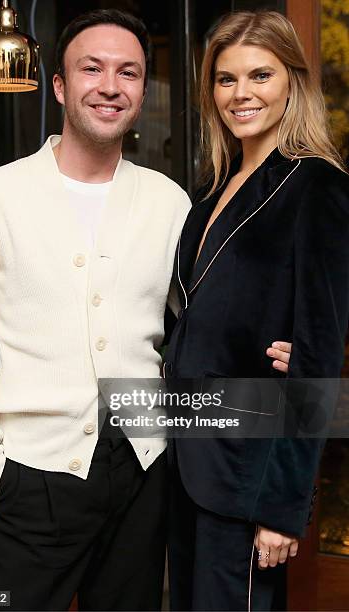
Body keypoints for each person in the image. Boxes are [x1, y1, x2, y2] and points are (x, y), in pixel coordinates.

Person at [0, 8, 291, 612]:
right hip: (32, 475)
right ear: (59, 85)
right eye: (91, 68)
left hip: (144, 471)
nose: (110, 85)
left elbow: (200, 325)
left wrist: (271, 347)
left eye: (128, 72)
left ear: (141, 89)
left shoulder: (168, 201)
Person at [164, 10, 349, 612]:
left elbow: (318, 357)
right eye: (225, 79)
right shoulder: (211, 191)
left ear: (292, 81)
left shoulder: (315, 186)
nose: (241, 94)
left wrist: (283, 507)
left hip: (250, 477)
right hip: (189, 462)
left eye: (260, 75)